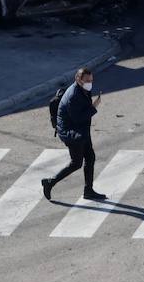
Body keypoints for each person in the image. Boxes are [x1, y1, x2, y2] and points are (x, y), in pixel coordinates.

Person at [42, 67, 106, 202]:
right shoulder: (74, 95)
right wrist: (94, 107)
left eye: (91, 80)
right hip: (72, 132)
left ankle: (88, 190)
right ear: (78, 79)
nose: (90, 83)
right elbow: (78, 118)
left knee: (90, 158)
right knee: (76, 163)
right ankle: (50, 182)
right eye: (87, 80)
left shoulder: (83, 89)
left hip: (81, 129)